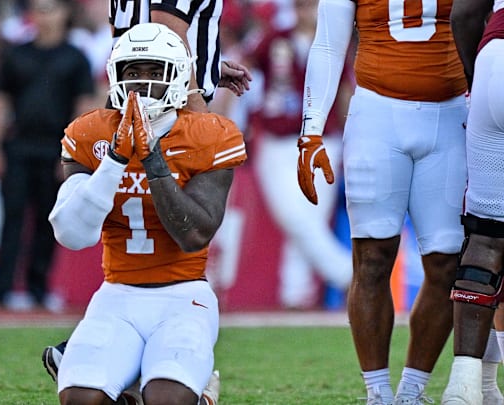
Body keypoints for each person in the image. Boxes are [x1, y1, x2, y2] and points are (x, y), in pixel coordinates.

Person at [49, 22, 244, 405]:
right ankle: (125, 383)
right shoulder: (92, 133)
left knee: (167, 400)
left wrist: (152, 158)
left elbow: (194, 235)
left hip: (184, 297)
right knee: (80, 400)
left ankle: (191, 395)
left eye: (155, 71)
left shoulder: (207, 134)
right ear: (114, 76)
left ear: (177, 75)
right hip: (116, 295)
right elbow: (72, 235)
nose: (142, 83)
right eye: (133, 72)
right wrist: (116, 160)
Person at [296, 0, 469, 403]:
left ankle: (412, 390)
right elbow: (327, 44)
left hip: (451, 112)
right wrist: (311, 131)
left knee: (446, 263)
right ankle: (377, 392)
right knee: (372, 257)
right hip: (376, 112)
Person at [0, 0, 97, 311]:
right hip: (19, 144)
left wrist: (74, 155)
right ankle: (0, 289)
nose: (44, 16)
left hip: (55, 149)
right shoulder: (16, 55)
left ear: (64, 14)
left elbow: (84, 107)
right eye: (40, 9)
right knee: (11, 217)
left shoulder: (75, 58)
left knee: (50, 220)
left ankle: (38, 287)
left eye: (51, 9)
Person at [248, 0, 353, 309]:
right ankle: (348, 274)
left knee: (311, 217)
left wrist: (350, 135)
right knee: (295, 216)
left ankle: (294, 294)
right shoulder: (274, 38)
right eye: (302, 6)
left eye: (311, 6)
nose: (306, 12)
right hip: (277, 138)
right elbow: (244, 68)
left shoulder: (336, 39)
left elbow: (346, 90)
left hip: (323, 139)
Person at [441, 1, 504, 403]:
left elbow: (463, 13)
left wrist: (474, 78)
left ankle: (466, 387)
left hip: (493, 58)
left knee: (486, 236)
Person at [109, 0, 251, 114]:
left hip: (128, 101)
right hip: (167, 112)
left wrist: (206, 67)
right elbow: (166, 34)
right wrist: (198, 113)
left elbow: (131, 41)